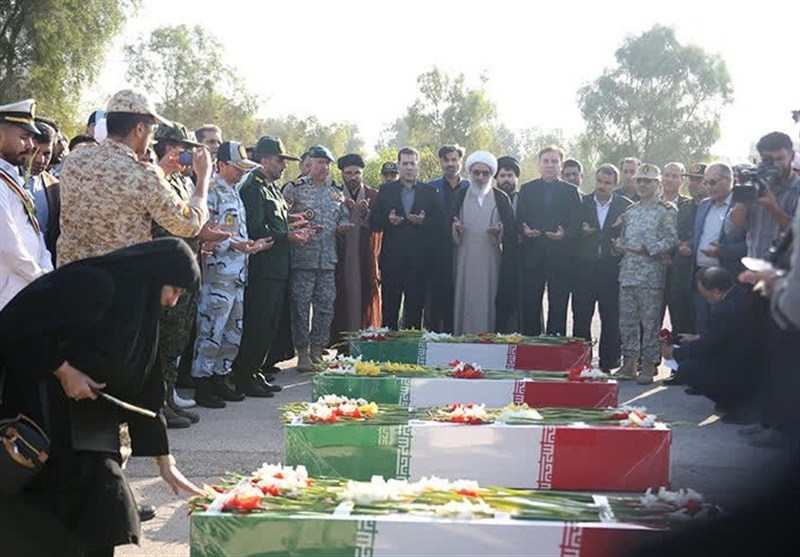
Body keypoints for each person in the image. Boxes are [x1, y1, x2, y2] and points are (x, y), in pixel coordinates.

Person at [0, 238, 203, 557]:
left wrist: (165, 463)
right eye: (174, 291)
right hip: (45, 417)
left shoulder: (140, 306)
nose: (172, 302)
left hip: (92, 428)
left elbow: (148, 387)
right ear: (155, 275)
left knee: (102, 516)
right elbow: (14, 325)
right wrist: (63, 370)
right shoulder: (94, 285)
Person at [57, 89, 211, 266]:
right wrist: (203, 178)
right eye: (152, 129)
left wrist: (161, 171)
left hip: (70, 277)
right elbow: (190, 224)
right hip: (117, 278)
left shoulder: (75, 158)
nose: (151, 137)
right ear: (139, 129)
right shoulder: (144, 176)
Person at [230, 136, 308, 396]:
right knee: (258, 323)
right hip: (263, 266)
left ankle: (255, 370)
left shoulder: (271, 188)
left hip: (277, 266)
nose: (284, 166)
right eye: (279, 160)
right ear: (264, 160)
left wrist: (291, 223)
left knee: (269, 324)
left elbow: (274, 220)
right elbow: (255, 229)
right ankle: (244, 375)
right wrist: (288, 236)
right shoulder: (253, 187)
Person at [192, 141, 264, 408]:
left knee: (233, 329)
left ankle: (220, 376)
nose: (241, 172)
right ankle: (202, 382)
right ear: (221, 165)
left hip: (237, 273)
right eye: (237, 167)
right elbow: (206, 230)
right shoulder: (211, 190)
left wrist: (248, 245)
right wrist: (235, 244)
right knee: (211, 328)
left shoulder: (234, 190)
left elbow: (234, 229)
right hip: (217, 275)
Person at [662, 267, 763, 423]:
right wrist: (696, 338)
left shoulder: (724, 309)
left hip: (742, 367)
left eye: (705, 295)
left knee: (687, 369)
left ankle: (736, 403)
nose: (706, 299)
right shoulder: (740, 296)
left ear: (716, 291)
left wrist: (674, 354)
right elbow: (723, 335)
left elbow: (708, 345)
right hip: (747, 359)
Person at [284, 145, 353, 369]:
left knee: (325, 307)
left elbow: (342, 216)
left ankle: (317, 350)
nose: (324, 167)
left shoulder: (336, 191)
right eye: (320, 162)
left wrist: (344, 226)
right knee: (300, 307)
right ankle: (302, 352)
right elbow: (281, 218)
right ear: (309, 164)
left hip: (327, 260)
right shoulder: (295, 189)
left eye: (327, 163)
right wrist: (296, 226)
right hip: (302, 259)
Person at [614, 163, 677, 384]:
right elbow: (624, 238)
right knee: (627, 321)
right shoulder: (631, 211)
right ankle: (629, 363)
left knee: (650, 323)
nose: (641, 185)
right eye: (639, 180)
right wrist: (618, 245)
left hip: (651, 275)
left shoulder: (666, 210)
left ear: (657, 184)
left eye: (647, 181)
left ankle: (649, 364)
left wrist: (649, 249)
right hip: (628, 273)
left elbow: (671, 239)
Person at [370, 147, 442, 330]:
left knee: (414, 311)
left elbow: (440, 224)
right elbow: (374, 222)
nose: (409, 168)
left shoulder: (430, 192)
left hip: (419, 262)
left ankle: (411, 345)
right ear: (399, 166)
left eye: (412, 163)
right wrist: (388, 220)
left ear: (418, 166)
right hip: (392, 261)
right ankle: (389, 344)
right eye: (405, 164)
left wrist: (423, 221)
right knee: (390, 310)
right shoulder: (386, 191)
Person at [516, 145, 582, 336]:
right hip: (533, 254)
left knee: (558, 303)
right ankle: (531, 341)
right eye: (546, 161)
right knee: (530, 303)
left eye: (554, 161)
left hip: (560, 256)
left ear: (561, 165)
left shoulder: (571, 191)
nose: (550, 165)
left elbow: (576, 223)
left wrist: (565, 234)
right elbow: (519, 218)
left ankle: (555, 342)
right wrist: (525, 230)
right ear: (539, 164)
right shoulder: (527, 189)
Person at [573, 164, 632, 372]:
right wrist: (580, 231)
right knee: (581, 316)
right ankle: (582, 362)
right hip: (584, 270)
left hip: (611, 269)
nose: (602, 186)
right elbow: (570, 232)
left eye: (607, 183)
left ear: (615, 185)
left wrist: (620, 243)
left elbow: (631, 235)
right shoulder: (582, 203)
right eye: (599, 181)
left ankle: (608, 362)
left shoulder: (626, 206)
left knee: (610, 317)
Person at [451, 151, 516, 334]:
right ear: (470, 173)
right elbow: (448, 224)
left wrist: (500, 233)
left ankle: (489, 337)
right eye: (476, 172)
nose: (480, 177)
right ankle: (463, 336)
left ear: (491, 175)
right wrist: (455, 228)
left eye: (485, 173)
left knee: (490, 297)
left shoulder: (501, 198)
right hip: (464, 258)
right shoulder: (460, 195)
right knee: (465, 296)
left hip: (491, 259)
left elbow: (511, 232)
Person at [0, 98, 52, 311]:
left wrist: (46, 268)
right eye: (23, 138)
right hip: (8, 295)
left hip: (23, 290)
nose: (30, 146)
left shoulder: (12, 177)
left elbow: (36, 233)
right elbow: (7, 245)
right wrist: (40, 277)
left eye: (31, 138)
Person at [330, 153, 382, 345]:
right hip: (339, 256)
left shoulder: (373, 195)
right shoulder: (334, 194)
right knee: (340, 296)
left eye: (357, 173)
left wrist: (365, 212)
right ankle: (341, 345)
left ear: (362, 173)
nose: (353, 177)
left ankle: (366, 342)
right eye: (349, 173)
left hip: (364, 257)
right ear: (342, 174)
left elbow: (379, 225)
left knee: (365, 295)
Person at [689, 163, 746, 334]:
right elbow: (701, 237)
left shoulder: (741, 206)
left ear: (728, 180)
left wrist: (723, 251)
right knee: (703, 327)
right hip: (701, 276)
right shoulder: (704, 205)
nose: (708, 187)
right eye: (705, 182)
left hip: (727, 279)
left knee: (725, 332)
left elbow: (751, 244)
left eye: (713, 182)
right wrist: (690, 246)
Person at [731, 132, 800, 260]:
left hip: (787, 270)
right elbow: (732, 226)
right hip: (754, 266)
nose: (775, 165)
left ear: (792, 156)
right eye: (768, 160)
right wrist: (745, 196)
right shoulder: (754, 182)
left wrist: (773, 208)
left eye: (780, 159)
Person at [426, 145, 469, 332]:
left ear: (461, 162)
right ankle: (435, 336)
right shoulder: (430, 188)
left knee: (461, 295)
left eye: (454, 159)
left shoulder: (470, 187)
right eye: (446, 160)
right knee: (436, 297)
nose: (450, 163)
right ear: (440, 162)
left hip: (464, 249)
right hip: (436, 252)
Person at [668, 163, 708, 335]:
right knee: (679, 323)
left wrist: (692, 245)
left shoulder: (712, 207)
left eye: (698, 180)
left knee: (699, 326)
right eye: (691, 179)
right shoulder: (684, 207)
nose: (693, 184)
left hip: (702, 273)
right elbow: (674, 232)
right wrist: (678, 245)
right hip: (680, 273)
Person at [24, 118, 61, 265]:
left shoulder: (54, 186)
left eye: (46, 153)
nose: (40, 160)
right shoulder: (7, 181)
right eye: (34, 152)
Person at [494, 155, 523, 332]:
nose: (506, 180)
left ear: (516, 178)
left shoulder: (524, 199)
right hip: (494, 259)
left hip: (520, 261)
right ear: (496, 178)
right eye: (502, 176)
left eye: (510, 175)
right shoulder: (491, 199)